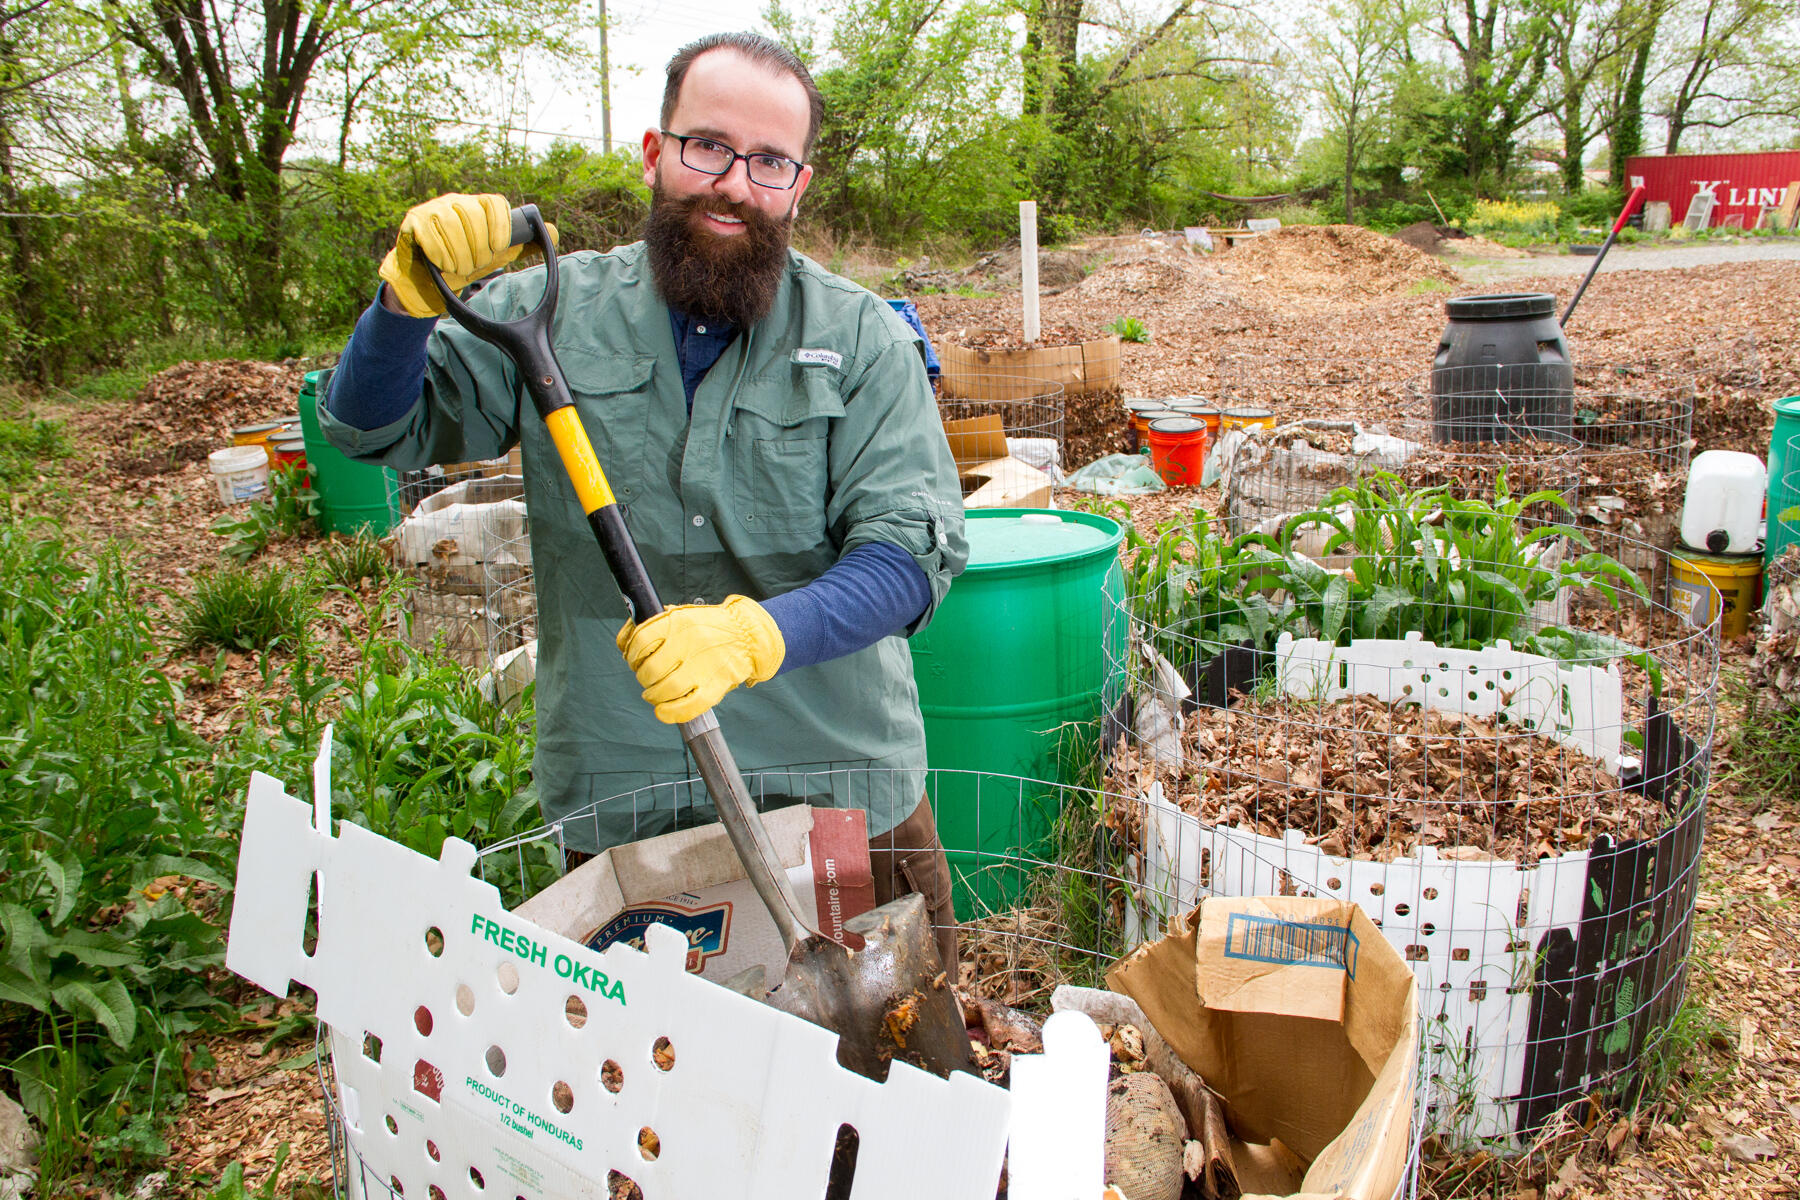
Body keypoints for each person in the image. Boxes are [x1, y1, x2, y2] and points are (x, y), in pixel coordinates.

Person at [321, 31, 968, 970]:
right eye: (708, 146)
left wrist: (753, 636)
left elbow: (912, 557)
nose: (735, 184)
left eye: (770, 162)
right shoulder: (555, 311)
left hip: (842, 785)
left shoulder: (860, 337)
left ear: (800, 184)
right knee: (667, 1089)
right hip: (628, 792)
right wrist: (403, 308)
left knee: (904, 1060)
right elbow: (369, 429)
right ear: (656, 153)